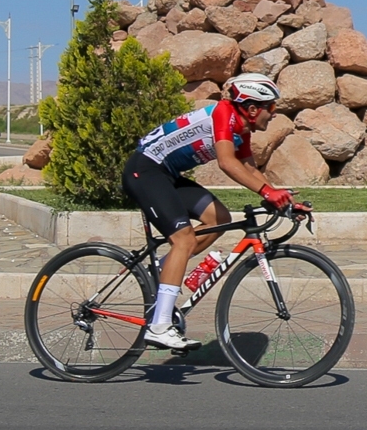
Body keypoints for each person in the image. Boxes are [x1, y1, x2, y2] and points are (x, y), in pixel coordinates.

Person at [121, 72, 296, 350]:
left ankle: (162, 269)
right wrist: (267, 192)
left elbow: (249, 169)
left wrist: (281, 199)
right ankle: (159, 326)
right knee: (184, 239)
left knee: (219, 218)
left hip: (167, 175)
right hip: (145, 171)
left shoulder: (242, 129)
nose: (274, 113)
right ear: (252, 109)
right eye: (271, 107)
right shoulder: (223, 113)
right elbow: (227, 163)